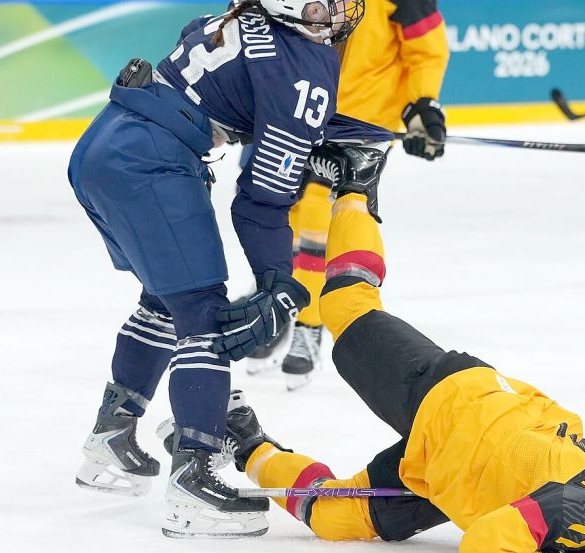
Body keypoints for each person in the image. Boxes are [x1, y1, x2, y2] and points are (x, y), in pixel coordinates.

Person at [189, 142, 585, 552]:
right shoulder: (584, 514)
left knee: (335, 518)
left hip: (447, 475)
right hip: (450, 401)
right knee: (345, 306)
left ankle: (247, 440)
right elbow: (486, 541)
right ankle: (357, 189)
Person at [68, 0, 391, 538]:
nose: (338, 10)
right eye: (324, 1)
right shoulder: (305, 67)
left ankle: (111, 439)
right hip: (152, 162)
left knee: (165, 298)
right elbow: (261, 203)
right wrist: (278, 282)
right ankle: (194, 479)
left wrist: (347, 131)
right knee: (205, 314)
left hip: (107, 147)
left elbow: (264, 99)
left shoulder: (244, 17)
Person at [243, 0, 450, 390]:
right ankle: (282, 296)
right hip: (302, 108)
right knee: (283, 209)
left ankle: (309, 322)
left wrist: (423, 106)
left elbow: (426, 47)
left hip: (362, 122)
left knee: (318, 217)